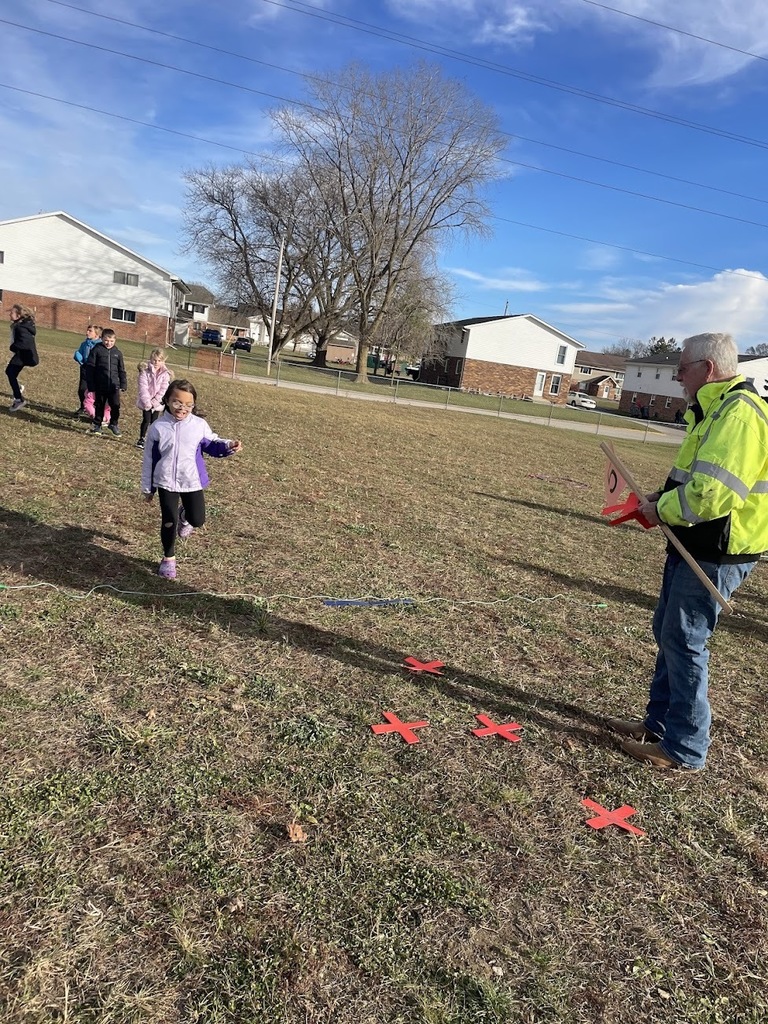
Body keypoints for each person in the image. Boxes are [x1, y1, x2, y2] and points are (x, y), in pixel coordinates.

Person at [608, 333, 768, 771]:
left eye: (682, 368)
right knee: (669, 631)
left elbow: (713, 494)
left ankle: (685, 748)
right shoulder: (712, 409)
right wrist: (659, 498)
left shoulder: (738, 413)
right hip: (692, 540)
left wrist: (661, 509)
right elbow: (691, 478)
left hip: (719, 548)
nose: (677, 376)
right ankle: (658, 723)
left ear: (708, 369)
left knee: (685, 638)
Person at [140, 379, 242, 580]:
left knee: (198, 519)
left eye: (188, 404)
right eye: (177, 402)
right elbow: (149, 460)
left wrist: (229, 445)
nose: (182, 408)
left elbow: (212, 443)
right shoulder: (157, 427)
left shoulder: (198, 425)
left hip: (191, 480)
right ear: (168, 400)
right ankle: (168, 558)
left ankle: (185, 515)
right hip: (166, 482)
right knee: (168, 520)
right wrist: (148, 488)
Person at [86, 329, 127, 436]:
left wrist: (123, 383)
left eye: (111, 341)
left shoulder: (117, 353)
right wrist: (91, 384)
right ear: (102, 339)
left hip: (113, 386)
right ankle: (97, 425)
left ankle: (113, 424)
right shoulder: (96, 350)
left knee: (116, 405)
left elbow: (121, 370)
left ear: (115, 340)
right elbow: (90, 368)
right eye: (106, 340)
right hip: (100, 385)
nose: (109, 343)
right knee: (99, 405)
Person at [6, 303, 39, 411]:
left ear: (18, 315)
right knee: (10, 373)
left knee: (10, 372)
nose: (10, 314)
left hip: (24, 355)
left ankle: (19, 399)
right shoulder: (21, 325)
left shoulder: (21, 327)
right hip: (23, 354)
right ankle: (18, 389)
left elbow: (25, 343)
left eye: (12, 313)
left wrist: (13, 347)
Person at [135, 348, 170, 449]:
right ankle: (141, 438)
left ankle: (153, 440)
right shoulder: (145, 372)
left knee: (154, 422)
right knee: (146, 419)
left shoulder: (165, 374)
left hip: (157, 402)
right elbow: (143, 387)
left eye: (159, 360)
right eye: (154, 360)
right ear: (150, 359)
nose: (156, 362)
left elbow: (164, 388)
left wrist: (156, 400)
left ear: (163, 361)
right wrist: (147, 401)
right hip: (146, 401)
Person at [73, 325, 102, 416]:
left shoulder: (100, 345)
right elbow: (80, 352)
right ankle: (83, 407)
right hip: (85, 369)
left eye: (90, 331)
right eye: (87, 330)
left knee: (94, 392)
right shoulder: (84, 344)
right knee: (82, 389)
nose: (87, 333)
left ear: (96, 334)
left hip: (96, 371)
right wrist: (78, 357)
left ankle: (94, 409)